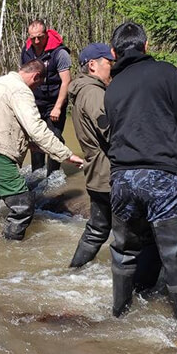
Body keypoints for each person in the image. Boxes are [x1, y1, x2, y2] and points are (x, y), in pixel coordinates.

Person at [104, 22, 177, 328]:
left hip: (122, 178)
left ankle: (120, 314)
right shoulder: (165, 71)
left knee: (123, 250)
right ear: (146, 46)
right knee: (175, 255)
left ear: (113, 52)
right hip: (162, 177)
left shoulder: (112, 87)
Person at [0, 60, 85, 241]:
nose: (35, 89)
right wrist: (65, 154)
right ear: (36, 76)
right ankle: (9, 250)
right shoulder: (20, 90)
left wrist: (32, 145)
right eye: (38, 84)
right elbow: (36, 128)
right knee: (23, 205)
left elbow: (5, 124)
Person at [67, 43, 115, 267]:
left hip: (96, 173)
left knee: (97, 229)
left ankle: (74, 272)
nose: (111, 68)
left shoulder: (82, 90)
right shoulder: (94, 93)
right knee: (128, 235)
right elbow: (110, 131)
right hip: (107, 175)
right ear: (93, 65)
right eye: (109, 63)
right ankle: (133, 290)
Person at [20, 20, 72, 176]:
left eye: (40, 37)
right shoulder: (27, 50)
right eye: (33, 37)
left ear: (46, 34)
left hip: (54, 102)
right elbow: (23, 76)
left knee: (54, 138)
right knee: (35, 139)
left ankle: (53, 175)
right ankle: (37, 174)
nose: (36, 41)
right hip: (34, 102)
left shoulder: (59, 53)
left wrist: (57, 107)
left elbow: (66, 81)